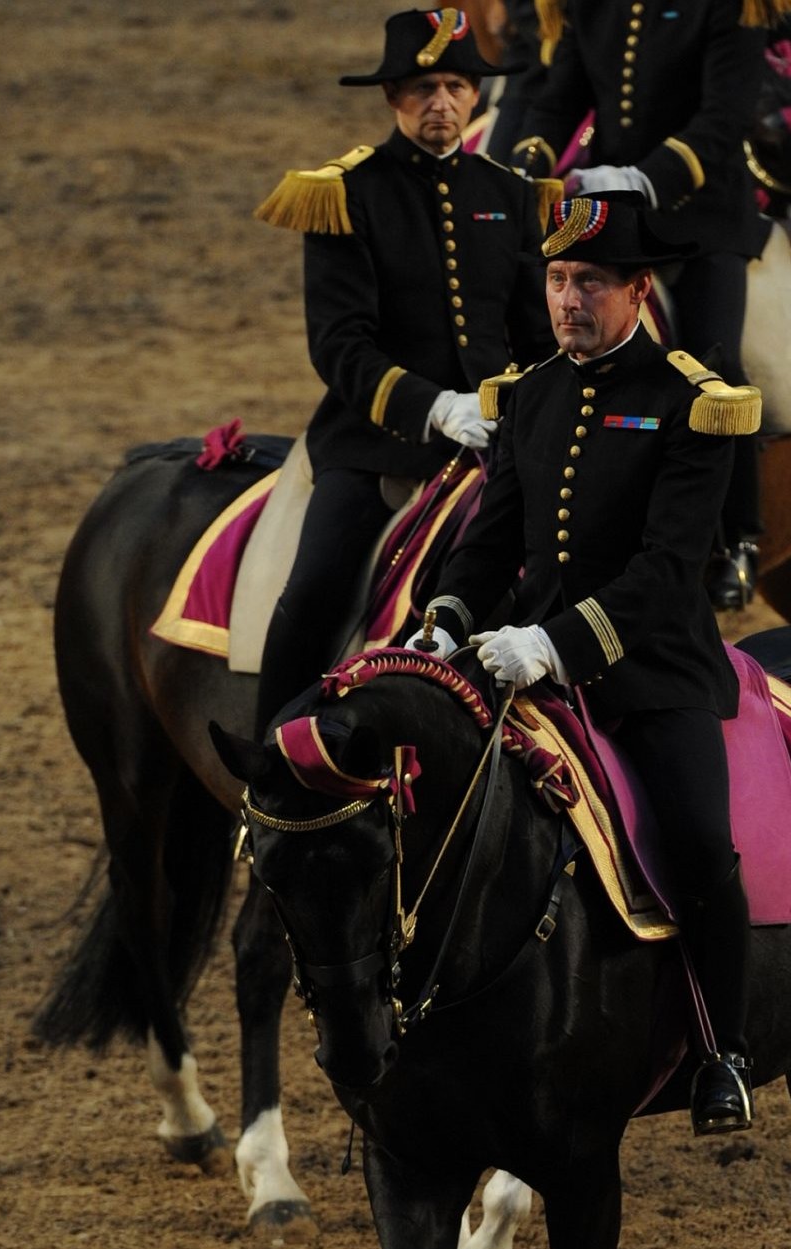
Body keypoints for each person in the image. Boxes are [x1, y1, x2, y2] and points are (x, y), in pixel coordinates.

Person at [420, 192, 758, 1134]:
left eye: (591, 283)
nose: (569, 300)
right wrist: (445, 621)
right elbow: (489, 547)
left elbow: (663, 573)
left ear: (638, 290)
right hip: (523, 666)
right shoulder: (529, 392)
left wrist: (553, 644)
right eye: (559, 279)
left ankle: (724, 1049)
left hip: (650, 674)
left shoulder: (694, 402)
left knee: (696, 838)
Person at [250, 8, 555, 739]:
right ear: (392, 97)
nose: (440, 103)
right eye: (423, 89)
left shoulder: (511, 196)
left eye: (454, 85)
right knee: (317, 585)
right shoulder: (343, 194)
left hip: (491, 444)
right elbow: (339, 345)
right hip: (375, 444)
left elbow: (537, 338)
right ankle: (273, 757)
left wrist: (524, 407)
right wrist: (431, 407)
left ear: (476, 97)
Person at [504, 0, 791, 608]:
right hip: (617, 213)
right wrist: (531, 158)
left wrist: (642, 178)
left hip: (703, 215)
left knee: (713, 363)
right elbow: (561, 96)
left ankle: (738, 538)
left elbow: (724, 118)